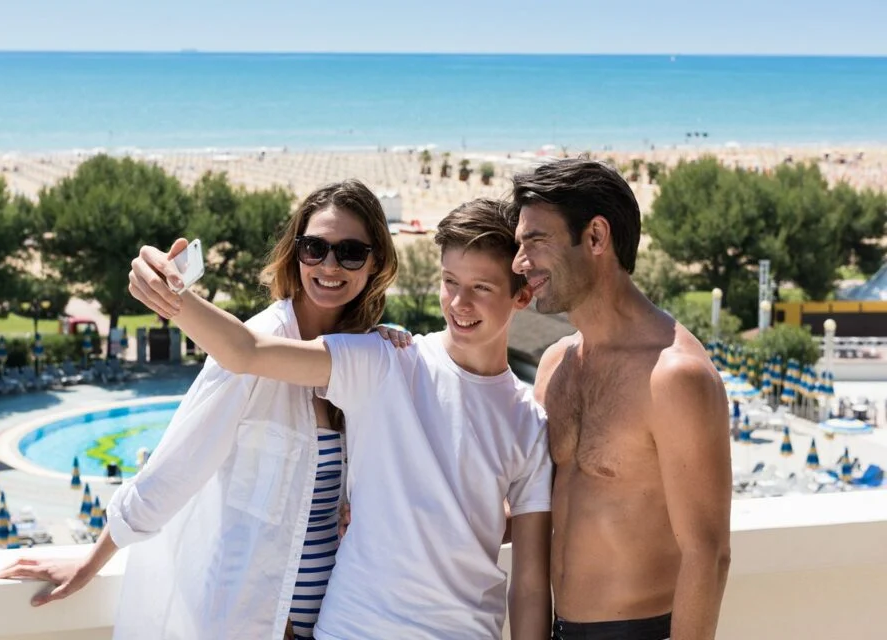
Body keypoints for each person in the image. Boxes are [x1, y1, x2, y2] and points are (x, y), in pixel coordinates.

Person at [127, 198, 553, 639]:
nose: (459, 303)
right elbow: (246, 352)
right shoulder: (387, 361)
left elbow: (531, 586)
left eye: (481, 287)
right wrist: (172, 294)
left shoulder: (529, 425)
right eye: (449, 282)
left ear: (521, 294)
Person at [0, 179, 400, 640]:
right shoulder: (252, 347)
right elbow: (175, 467)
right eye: (314, 248)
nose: (330, 265)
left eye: (350, 252)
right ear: (295, 253)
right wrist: (93, 560)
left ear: (376, 262)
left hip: (345, 617)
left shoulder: (371, 352)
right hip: (262, 618)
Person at [510, 159, 732, 640]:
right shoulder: (555, 365)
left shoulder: (675, 376)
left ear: (594, 237)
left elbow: (708, 554)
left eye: (535, 241)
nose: (519, 262)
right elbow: (538, 507)